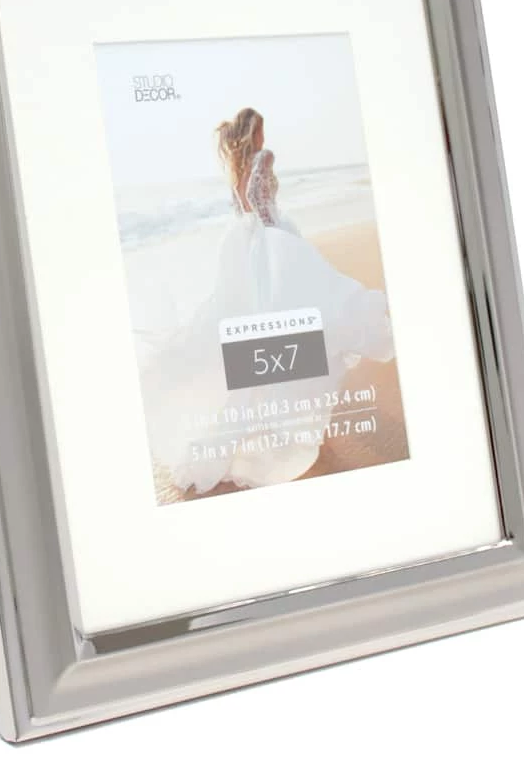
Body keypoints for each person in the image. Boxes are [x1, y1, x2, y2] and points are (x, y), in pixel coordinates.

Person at [135, 107, 395, 496]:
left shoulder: (236, 169)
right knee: (300, 325)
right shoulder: (263, 158)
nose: (264, 136)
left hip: (247, 249)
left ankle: (276, 419)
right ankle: (293, 420)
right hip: (270, 245)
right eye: (262, 129)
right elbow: (261, 205)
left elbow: (245, 206)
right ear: (255, 131)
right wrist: (281, 244)